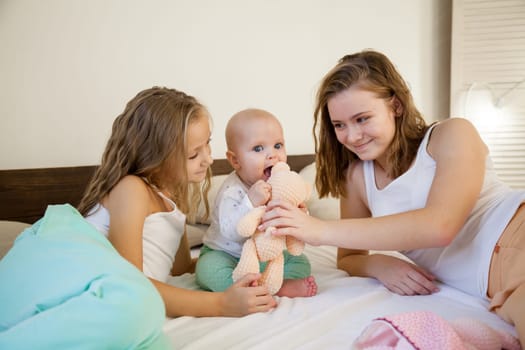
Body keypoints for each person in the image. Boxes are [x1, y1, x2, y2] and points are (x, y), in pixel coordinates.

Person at [260, 50, 525, 345]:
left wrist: (318, 230)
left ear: (396, 106)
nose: (352, 136)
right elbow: (348, 258)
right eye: (339, 125)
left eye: (362, 118)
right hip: (496, 286)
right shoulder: (357, 178)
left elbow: (440, 226)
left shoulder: (451, 134)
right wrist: (381, 264)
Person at [79, 87, 277, 318]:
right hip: (87, 289)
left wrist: (234, 262)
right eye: (193, 154)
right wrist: (221, 303)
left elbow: (180, 268)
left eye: (207, 144)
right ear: (155, 157)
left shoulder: (171, 198)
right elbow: (129, 282)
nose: (209, 159)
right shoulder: (130, 189)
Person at [195, 108, 317, 298]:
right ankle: (261, 288)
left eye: (278, 145)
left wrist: (300, 214)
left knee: (301, 262)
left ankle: (276, 283)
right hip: (227, 255)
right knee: (207, 269)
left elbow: (291, 225)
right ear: (236, 160)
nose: (272, 155)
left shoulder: (281, 185)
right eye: (258, 148)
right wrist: (250, 202)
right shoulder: (232, 191)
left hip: (265, 255)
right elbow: (231, 232)